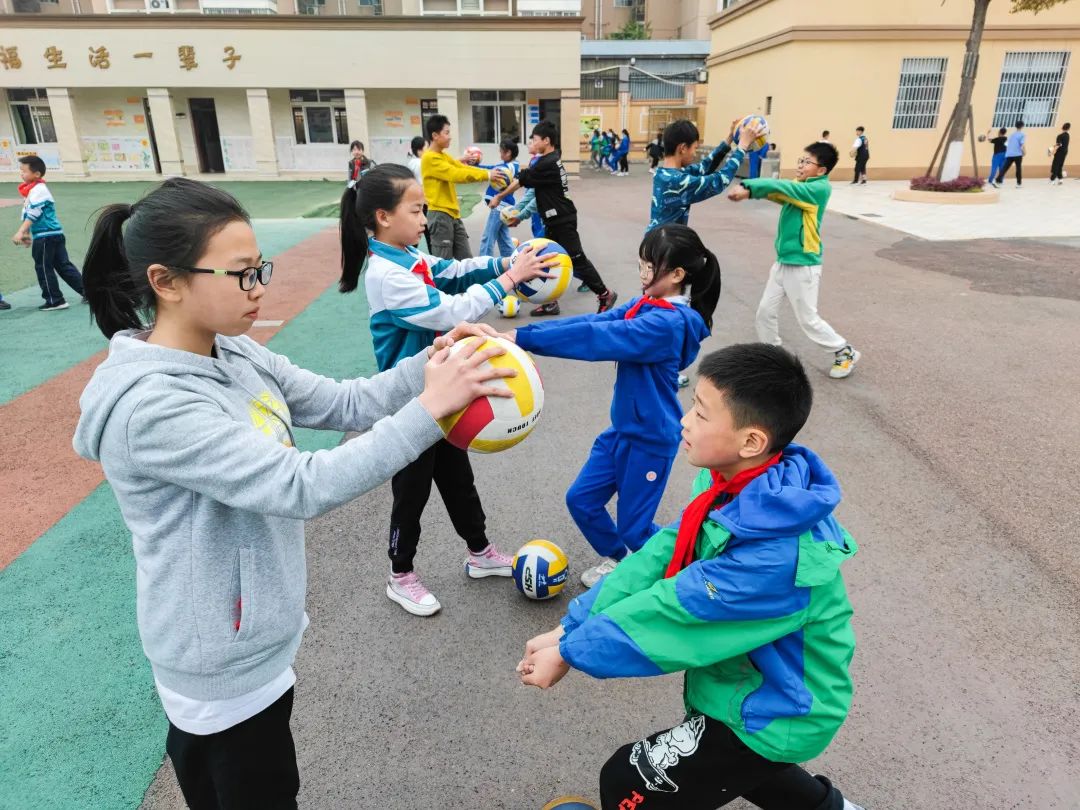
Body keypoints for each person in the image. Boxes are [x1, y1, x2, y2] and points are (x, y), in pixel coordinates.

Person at [72, 177, 513, 809]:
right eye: (241, 274)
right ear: (166, 281)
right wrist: (431, 408)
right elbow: (302, 484)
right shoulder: (152, 406)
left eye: (260, 269)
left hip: (255, 642)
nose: (259, 288)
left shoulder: (234, 352)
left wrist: (434, 363)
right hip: (218, 666)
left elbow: (343, 401)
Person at [516, 343, 864, 810]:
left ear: (751, 442)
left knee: (627, 780)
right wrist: (571, 624)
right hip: (746, 684)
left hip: (779, 706)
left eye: (700, 413)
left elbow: (676, 611)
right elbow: (658, 557)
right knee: (744, 769)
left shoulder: (774, 558)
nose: (683, 420)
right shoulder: (735, 488)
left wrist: (570, 652)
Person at [338, 164, 556, 616]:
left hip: (443, 393)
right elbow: (450, 311)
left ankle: (480, 554)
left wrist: (504, 263)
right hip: (409, 401)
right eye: (416, 211)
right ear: (383, 216)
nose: (423, 219)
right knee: (411, 491)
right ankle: (400, 575)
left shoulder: (409, 256)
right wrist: (511, 280)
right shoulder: (384, 274)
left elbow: (456, 270)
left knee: (458, 480)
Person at [506, 223, 718, 585]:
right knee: (581, 500)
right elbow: (596, 321)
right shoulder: (647, 304)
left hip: (651, 440)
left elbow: (598, 338)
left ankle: (684, 573)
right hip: (622, 431)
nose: (642, 273)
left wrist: (522, 337)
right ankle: (624, 561)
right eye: (641, 264)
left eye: (649, 267)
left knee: (637, 530)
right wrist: (521, 337)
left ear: (678, 274)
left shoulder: (667, 324)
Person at [728, 141, 861, 380]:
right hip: (783, 262)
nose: (800, 165)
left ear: (821, 170)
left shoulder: (818, 190)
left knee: (808, 319)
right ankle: (774, 358)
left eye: (807, 162)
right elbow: (779, 192)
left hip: (804, 266)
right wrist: (752, 193)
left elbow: (782, 188)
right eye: (801, 160)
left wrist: (748, 185)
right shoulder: (801, 187)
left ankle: (844, 351)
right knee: (765, 312)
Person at [490, 120, 618, 317]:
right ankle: (551, 303)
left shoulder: (547, 163)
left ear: (546, 141)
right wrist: (520, 215)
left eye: (534, 139)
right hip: (553, 220)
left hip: (562, 220)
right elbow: (535, 197)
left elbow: (522, 181)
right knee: (547, 260)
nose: (531, 142)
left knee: (577, 260)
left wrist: (498, 196)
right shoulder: (550, 160)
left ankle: (605, 294)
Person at [647, 117, 763, 232]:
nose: (694, 154)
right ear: (682, 148)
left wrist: (730, 138)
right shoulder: (678, 181)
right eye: (695, 148)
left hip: (660, 243)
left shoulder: (664, 174)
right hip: (664, 246)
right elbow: (721, 179)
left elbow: (705, 166)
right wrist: (742, 147)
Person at [11, 155, 84, 312]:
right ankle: (90, 293)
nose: (21, 174)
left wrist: (21, 231)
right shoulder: (36, 190)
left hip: (45, 237)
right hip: (52, 234)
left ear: (36, 174)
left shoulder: (38, 189)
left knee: (43, 267)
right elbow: (33, 214)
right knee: (64, 266)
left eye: (24, 171)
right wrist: (28, 234)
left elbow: (34, 213)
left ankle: (55, 300)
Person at [420, 114, 497, 260]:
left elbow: (461, 167)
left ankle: (469, 283)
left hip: (453, 215)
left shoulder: (442, 156)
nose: (450, 137)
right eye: (447, 133)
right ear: (435, 135)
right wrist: (487, 175)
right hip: (440, 215)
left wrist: (487, 172)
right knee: (444, 263)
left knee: (466, 260)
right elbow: (456, 174)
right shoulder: (430, 158)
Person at [478, 139, 520, 258]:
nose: (500, 154)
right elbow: (493, 168)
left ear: (508, 153)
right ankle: (512, 262)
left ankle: (483, 264)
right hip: (504, 207)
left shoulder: (510, 167)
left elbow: (491, 169)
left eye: (501, 151)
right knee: (504, 238)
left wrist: (475, 167)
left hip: (500, 207)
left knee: (488, 237)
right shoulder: (511, 165)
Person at [995, 120, 1026, 188]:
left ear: (1016, 126)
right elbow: (1022, 144)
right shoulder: (1022, 135)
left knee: (1005, 168)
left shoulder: (1012, 135)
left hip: (1009, 154)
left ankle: (997, 181)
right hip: (1018, 154)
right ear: (1022, 126)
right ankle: (1019, 184)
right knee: (1018, 168)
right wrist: (1024, 152)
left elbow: (1006, 144)